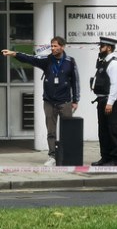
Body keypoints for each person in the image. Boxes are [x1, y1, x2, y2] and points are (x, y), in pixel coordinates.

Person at [1, 36, 80, 166]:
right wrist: (14, 54)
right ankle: (52, 157)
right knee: (51, 132)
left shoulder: (70, 62)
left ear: (62, 47)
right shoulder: (47, 60)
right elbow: (30, 59)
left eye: (55, 46)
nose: (53, 48)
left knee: (68, 130)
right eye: (52, 46)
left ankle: (67, 156)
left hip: (65, 101)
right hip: (49, 101)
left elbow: (76, 82)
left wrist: (75, 100)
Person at [90, 36, 117, 166]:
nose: (100, 48)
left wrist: (110, 103)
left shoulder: (114, 64)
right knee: (103, 131)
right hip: (102, 100)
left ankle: (115, 159)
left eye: (102, 46)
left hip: (111, 102)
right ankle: (105, 157)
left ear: (109, 48)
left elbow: (115, 85)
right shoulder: (103, 62)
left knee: (113, 131)